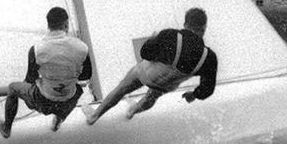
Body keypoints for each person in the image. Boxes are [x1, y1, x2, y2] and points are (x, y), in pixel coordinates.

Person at [86, 7, 217, 126]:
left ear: (185, 24)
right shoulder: (209, 57)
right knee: (153, 95)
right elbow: (208, 89)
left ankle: (94, 116)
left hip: (148, 75)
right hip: (167, 85)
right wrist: (193, 95)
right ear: (204, 28)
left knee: (123, 87)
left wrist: (151, 40)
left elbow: (145, 54)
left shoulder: (171, 35)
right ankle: (132, 111)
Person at [0, 7, 92, 138]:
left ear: (48, 25)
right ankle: (58, 120)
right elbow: (86, 75)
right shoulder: (82, 48)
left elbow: (31, 79)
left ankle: (6, 128)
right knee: (76, 89)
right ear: (66, 24)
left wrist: (29, 101)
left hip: (44, 102)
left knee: (12, 88)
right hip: (68, 102)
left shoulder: (36, 49)